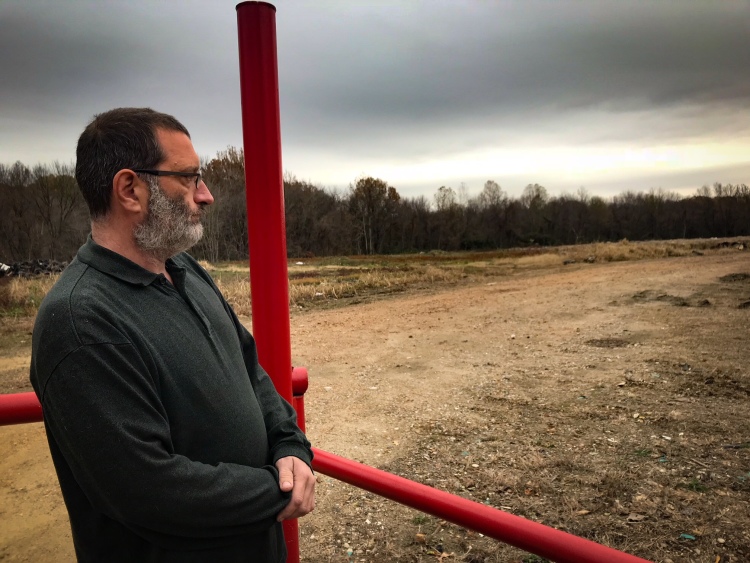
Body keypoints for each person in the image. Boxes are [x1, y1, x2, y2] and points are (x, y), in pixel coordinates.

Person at [29, 107, 315, 563]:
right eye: (188, 178)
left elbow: (247, 366)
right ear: (130, 189)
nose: (206, 195)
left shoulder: (181, 266)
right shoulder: (80, 322)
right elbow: (148, 492)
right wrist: (277, 492)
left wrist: (289, 446)